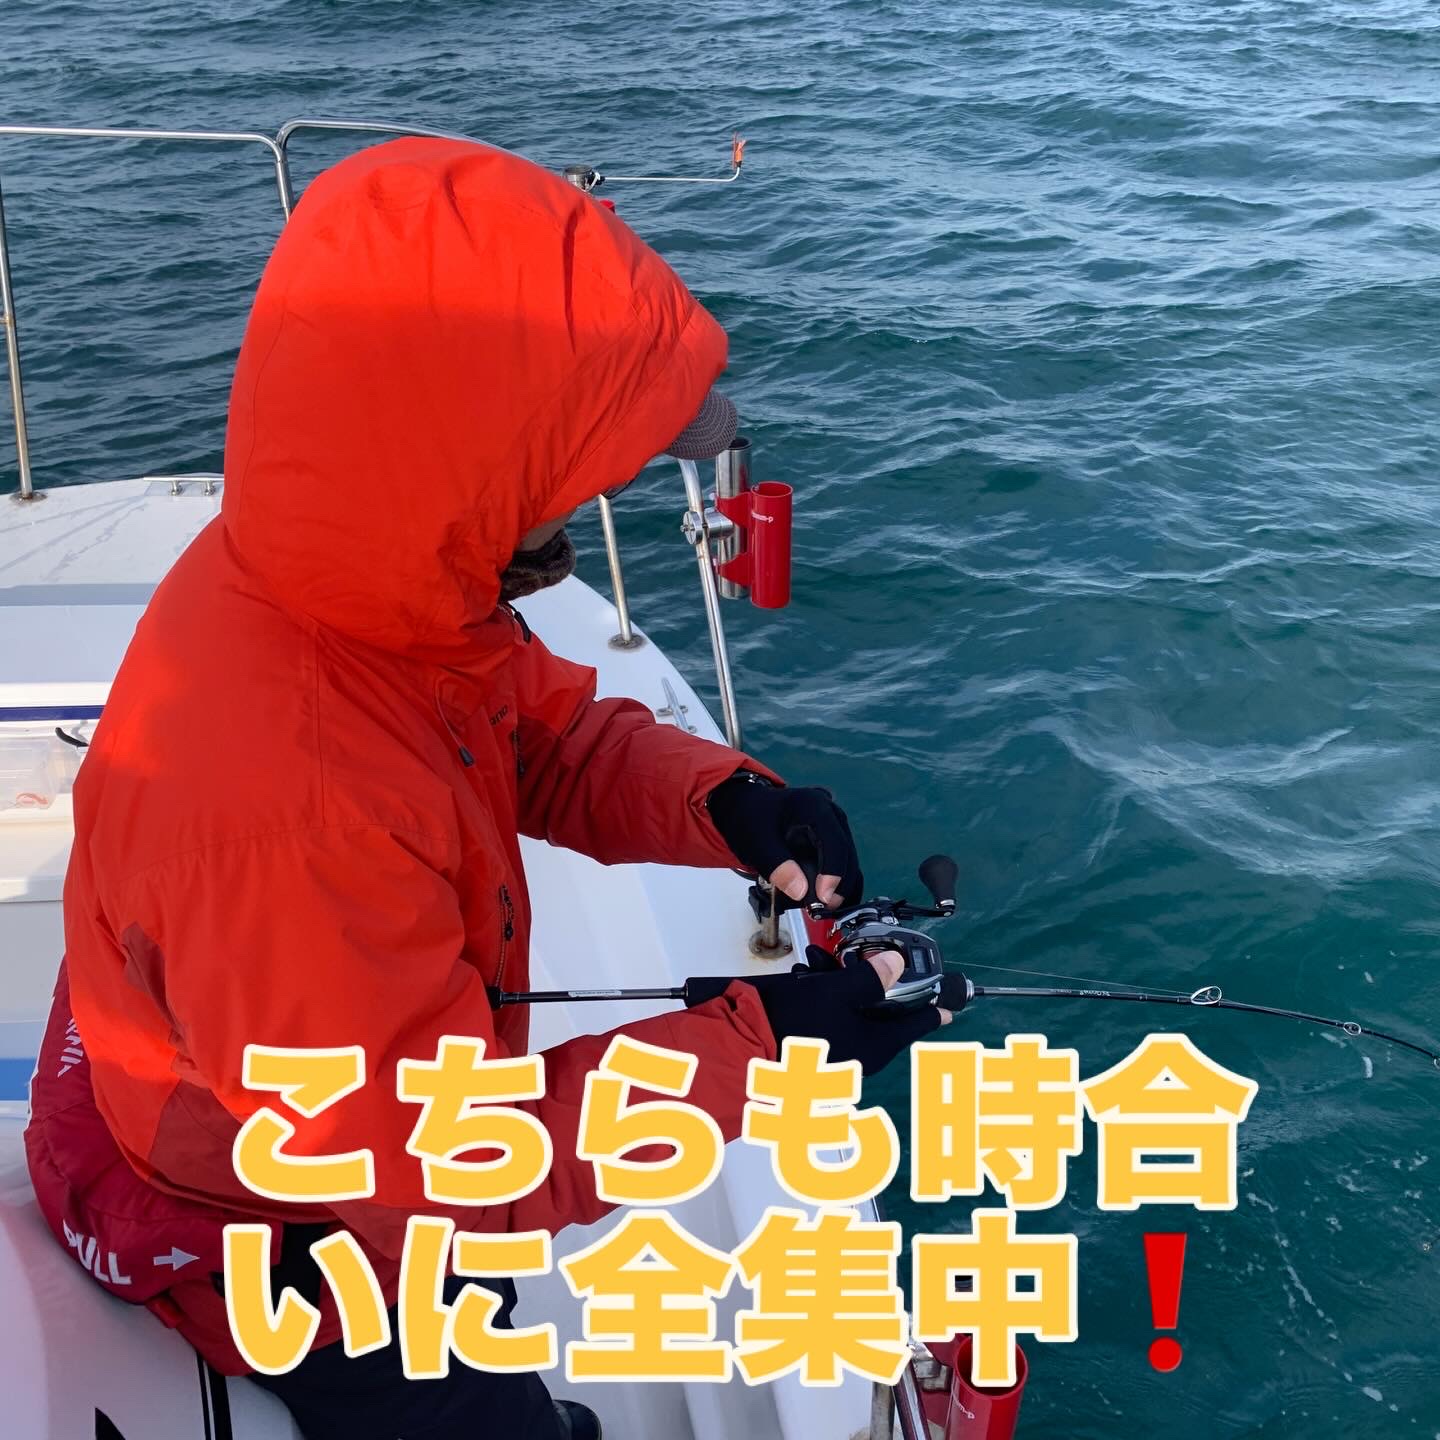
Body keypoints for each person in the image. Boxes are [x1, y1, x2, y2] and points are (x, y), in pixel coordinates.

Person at [24, 138, 945, 1440]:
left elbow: (533, 739)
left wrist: (728, 807)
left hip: (293, 1095)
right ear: (457, 467)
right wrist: (765, 1052)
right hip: (244, 1207)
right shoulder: (295, 808)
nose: (599, 496)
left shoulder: (344, 593)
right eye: (572, 473)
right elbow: (442, 1169)